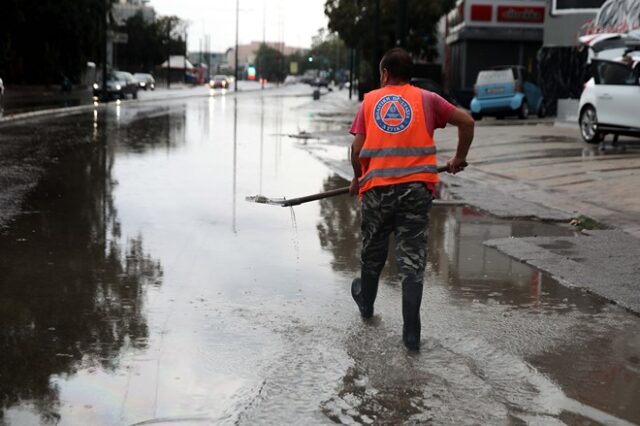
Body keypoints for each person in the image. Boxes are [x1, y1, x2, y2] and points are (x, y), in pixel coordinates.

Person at [348, 47, 474, 351]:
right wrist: (458, 157)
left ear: (385, 74)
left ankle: (366, 305)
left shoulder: (370, 102)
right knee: (412, 261)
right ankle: (411, 333)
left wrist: (357, 177)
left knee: (373, 253)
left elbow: (356, 149)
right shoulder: (427, 99)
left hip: (377, 191)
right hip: (416, 191)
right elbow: (467, 121)